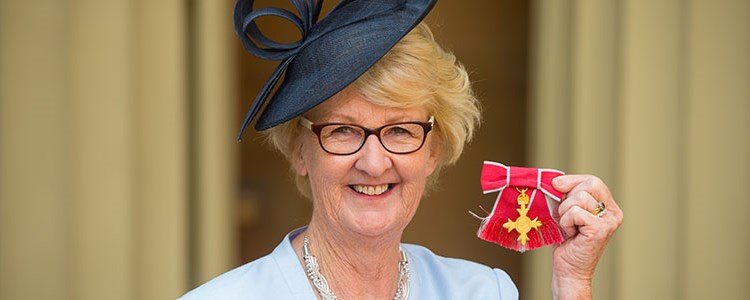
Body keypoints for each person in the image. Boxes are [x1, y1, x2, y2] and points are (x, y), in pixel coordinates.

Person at [180, 0, 623, 299]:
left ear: (433, 150)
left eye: (401, 131)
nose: (374, 163)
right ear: (300, 150)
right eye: (342, 131)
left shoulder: (484, 292)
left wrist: (573, 282)